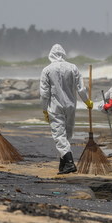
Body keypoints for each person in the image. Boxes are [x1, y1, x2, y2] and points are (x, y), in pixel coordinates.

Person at [40, 44, 93, 175]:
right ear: (63, 54)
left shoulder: (47, 70)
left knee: (59, 135)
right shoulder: (73, 67)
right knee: (67, 134)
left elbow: (44, 93)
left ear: (51, 55)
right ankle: (63, 163)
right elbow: (81, 88)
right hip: (70, 105)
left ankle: (69, 163)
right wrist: (87, 101)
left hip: (55, 106)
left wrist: (44, 109)